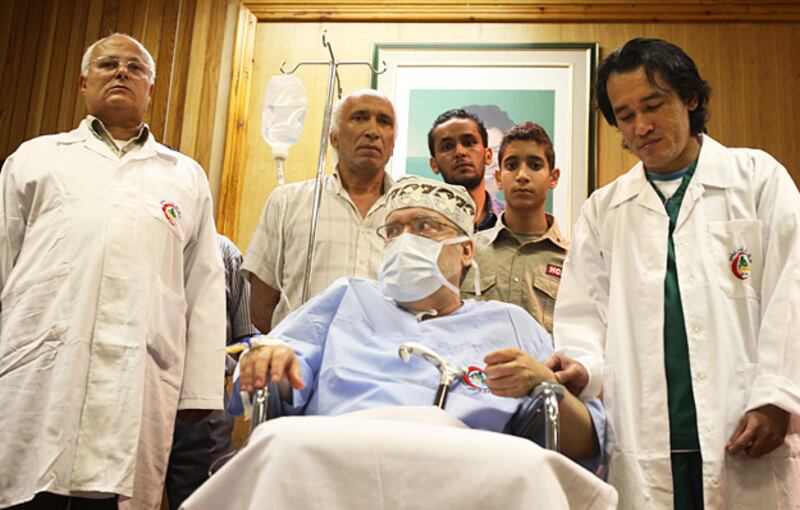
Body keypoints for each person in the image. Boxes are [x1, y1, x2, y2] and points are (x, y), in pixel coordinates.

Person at [549, 38, 800, 509]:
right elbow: (583, 316)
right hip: (643, 440)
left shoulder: (757, 179)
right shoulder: (604, 210)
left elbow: (793, 291)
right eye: (625, 115)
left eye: (653, 105)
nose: (641, 126)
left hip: (745, 430)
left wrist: (777, 396)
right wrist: (583, 365)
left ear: (691, 98)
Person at [235, 176, 605, 467]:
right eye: (393, 231)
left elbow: (587, 442)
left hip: (470, 475)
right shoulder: (347, 299)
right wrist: (268, 361)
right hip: (336, 463)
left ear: (466, 250)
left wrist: (545, 383)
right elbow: (274, 378)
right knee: (277, 445)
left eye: (424, 226)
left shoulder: (510, 324)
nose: (404, 240)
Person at [0, 34, 225, 510]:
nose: (122, 71)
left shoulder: (185, 176)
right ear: (83, 82)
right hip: (40, 370)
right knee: (29, 487)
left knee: (113, 494)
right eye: (108, 64)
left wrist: (199, 395)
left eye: (135, 67)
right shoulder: (34, 159)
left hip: (138, 378)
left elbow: (204, 288)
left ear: (150, 90)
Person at [243, 89, 396, 331]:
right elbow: (261, 308)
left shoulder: (411, 214)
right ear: (333, 138)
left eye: (384, 122)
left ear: (393, 145)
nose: (373, 131)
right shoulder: (287, 202)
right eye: (359, 118)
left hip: (386, 354)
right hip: (299, 354)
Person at [164, 234, 258, 509]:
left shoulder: (225, 252)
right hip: (141, 397)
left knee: (203, 501)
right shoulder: (139, 240)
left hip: (205, 408)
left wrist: (212, 364)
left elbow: (247, 340)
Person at [462, 121, 566, 334]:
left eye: (535, 165)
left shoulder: (573, 261)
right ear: (499, 178)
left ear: (553, 178)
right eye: (511, 166)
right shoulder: (468, 253)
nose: (522, 176)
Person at [428, 109, 505, 231]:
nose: (460, 152)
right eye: (447, 147)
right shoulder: (424, 224)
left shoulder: (513, 220)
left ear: (488, 155)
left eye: (469, 143)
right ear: (434, 165)